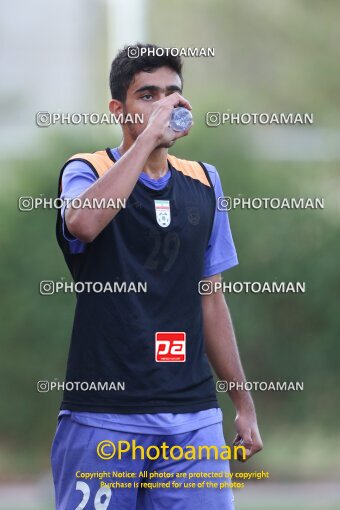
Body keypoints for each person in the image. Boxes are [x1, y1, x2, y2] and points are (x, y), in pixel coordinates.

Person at [51, 43, 262, 510]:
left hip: (193, 418)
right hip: (104, 416)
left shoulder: (204, 180)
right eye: (148, 95)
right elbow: (83, 223)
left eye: (173, 94)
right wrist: (145, 139)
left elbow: (211, 300)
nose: (164, 106)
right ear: (118, 109)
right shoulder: (86, 170)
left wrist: (243, 404)